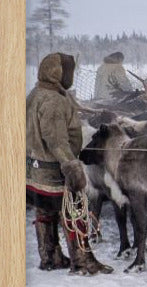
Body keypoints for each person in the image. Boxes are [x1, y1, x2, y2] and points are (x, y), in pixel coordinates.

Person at [26, 52, 113, 275]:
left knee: (45, 212)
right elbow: (56, 139)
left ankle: (50, 256)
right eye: (68, 71)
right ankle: (82, 261)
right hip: (56, 170)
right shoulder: (54, 100)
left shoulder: (37, 93)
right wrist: (71, 166)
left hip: (36, 169)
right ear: (58, 73)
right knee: (75, 214)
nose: (70, 76)